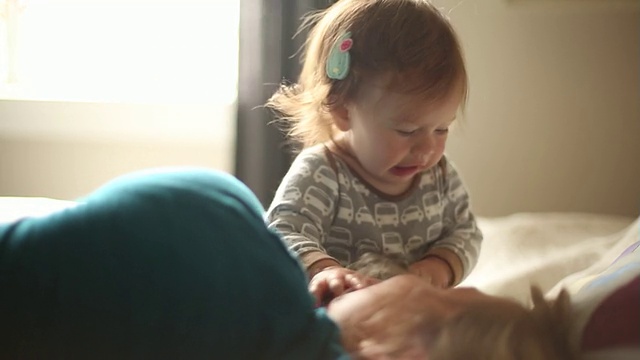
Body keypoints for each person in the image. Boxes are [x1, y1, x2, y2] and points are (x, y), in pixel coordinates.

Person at [1, 168, 635, 359]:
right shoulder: (323, 178)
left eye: (447, 296)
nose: (383, 278)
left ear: (406, 345)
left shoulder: (272, 309)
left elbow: (461, 238)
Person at [265, 0, 482, 304]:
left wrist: (439, 267)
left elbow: (466, 233)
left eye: (442, 129)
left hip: (414, 312)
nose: (427, 149)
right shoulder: (322, 172)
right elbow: (282, 232)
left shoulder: (440, 175)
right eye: (407, 131)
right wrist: (325, 271)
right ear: (343, 111)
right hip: (342, 309)